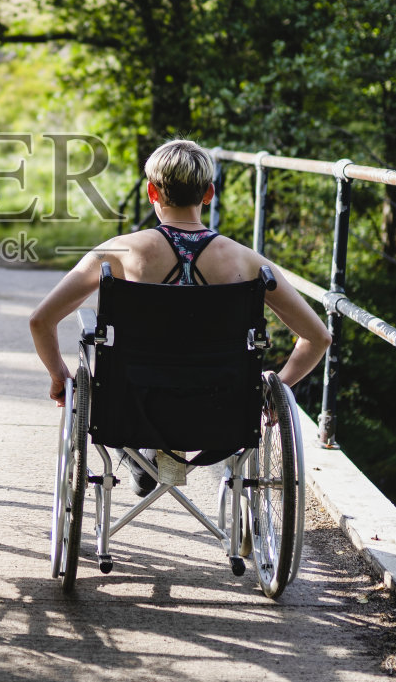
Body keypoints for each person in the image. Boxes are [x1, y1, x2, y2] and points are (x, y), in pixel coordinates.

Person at [27, 138, 331, 494]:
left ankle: (149, 452)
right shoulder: (248, 262)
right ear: (209, 193)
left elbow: (40, 321)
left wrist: (60, 376)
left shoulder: (118, 253)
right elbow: (319, 337)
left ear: (152, 192)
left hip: (131, 408)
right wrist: (277, 389)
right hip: (222, 413)